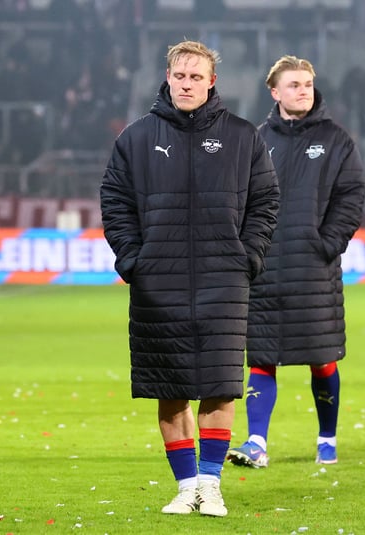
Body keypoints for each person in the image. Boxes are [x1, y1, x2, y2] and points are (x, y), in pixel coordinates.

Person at [99, 40, 280, 518]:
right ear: (168, 77)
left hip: (225, 280)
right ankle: (185, 488)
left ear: (211, 81)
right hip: (159, 283)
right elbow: (114, 202)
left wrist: (249, 257)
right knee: (171, 386)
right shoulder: (136, 138)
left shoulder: (243, 136)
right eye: (180, 76)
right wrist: (133, 261)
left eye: (196, 77)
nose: (186, 84)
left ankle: (211, 485)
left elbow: (266, 201)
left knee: (220, 385)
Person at [226, 55, 365, 468]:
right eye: (293, 85)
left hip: (313, 269)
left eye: (307, 83)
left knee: (321, 359)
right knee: (262, 358)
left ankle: (327, 438)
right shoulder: (255, 138)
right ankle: (256, 443)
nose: (302, 90)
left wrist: (326, 243)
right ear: (275, 92)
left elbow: (351, 197)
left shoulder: (337, 140)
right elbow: (237, 197)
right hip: (265, 270)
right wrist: (249, 247)